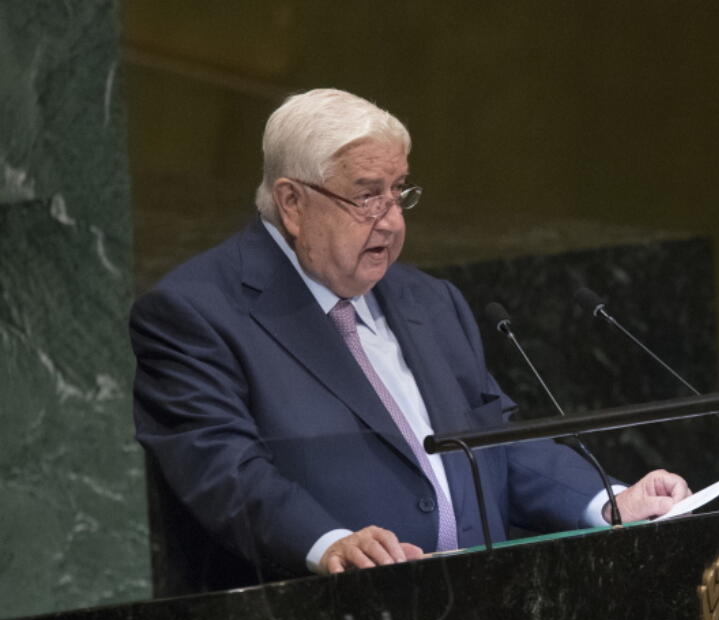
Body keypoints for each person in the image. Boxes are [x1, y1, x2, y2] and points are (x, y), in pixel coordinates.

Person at [130, 88, 690, 583]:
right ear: (292, 203)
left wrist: (610, 500)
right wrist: (327, 544)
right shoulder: (195, 314)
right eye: (366, 195)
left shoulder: (430, 301)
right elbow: (223, 471)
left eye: (398, 191)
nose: (393, 220)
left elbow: (493, 442)